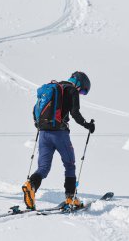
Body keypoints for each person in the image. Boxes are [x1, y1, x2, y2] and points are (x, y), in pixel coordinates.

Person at [22, 71, 95, 210]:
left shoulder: (53, 88)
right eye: (83, 91)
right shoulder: (72, 90)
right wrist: (87, 125)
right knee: (69, 164)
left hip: (43, 133)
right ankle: (71, 198)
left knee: (43, 168)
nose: (81, 93)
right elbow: (75, 113)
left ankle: (30, 186)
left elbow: (35, 109)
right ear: (79, 83)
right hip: (59, 134)